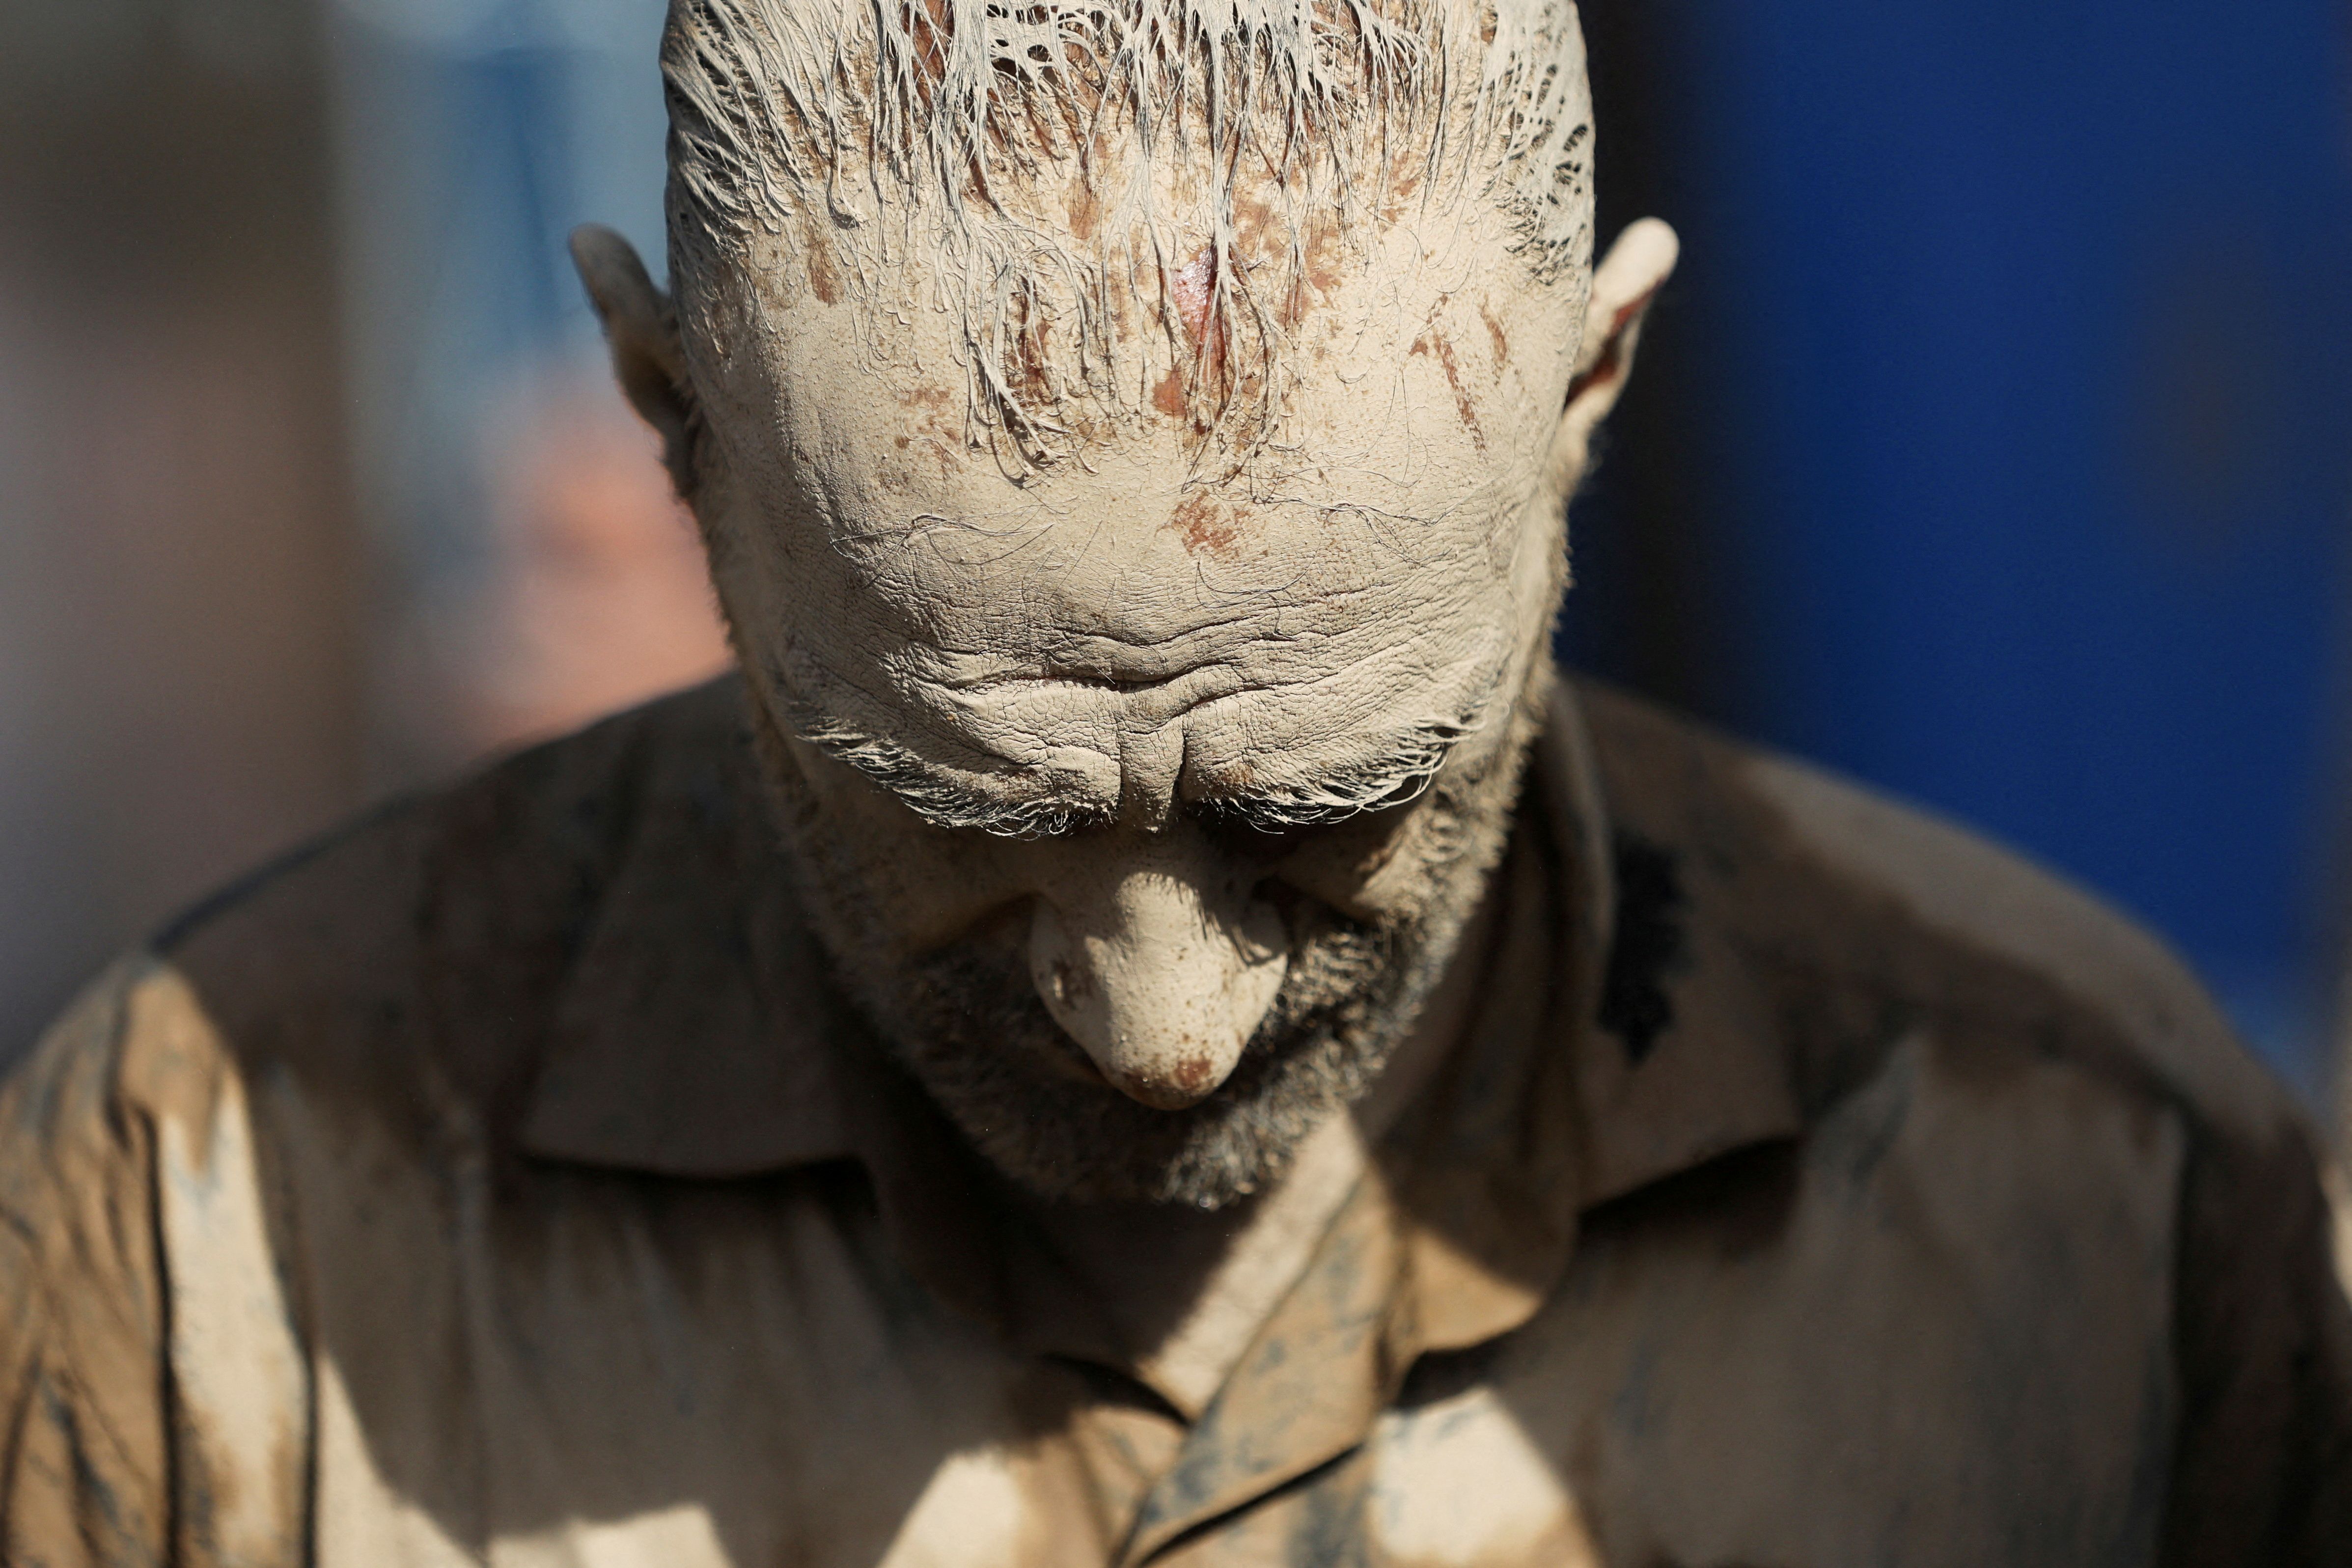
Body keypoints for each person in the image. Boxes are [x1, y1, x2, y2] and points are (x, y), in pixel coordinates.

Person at [4, 0, 2347, 1561]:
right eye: (967, 801)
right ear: (667, 422)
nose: (1163, 1025)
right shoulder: (206, 1223)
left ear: (1588, 392)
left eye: (1324, 807)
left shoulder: (2096, 1207)